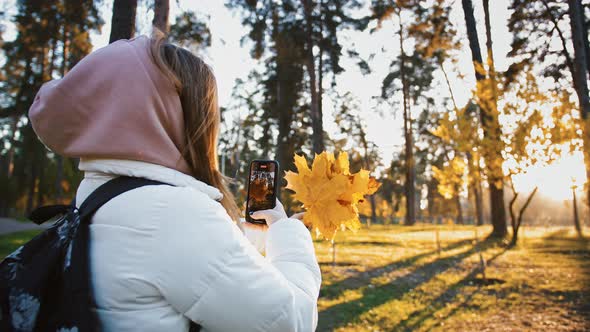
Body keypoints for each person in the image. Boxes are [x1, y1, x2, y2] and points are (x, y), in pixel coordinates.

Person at [28, 32, 321, 332]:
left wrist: (257, 236)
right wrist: (288, 232)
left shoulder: (101, 192)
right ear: (173, 114)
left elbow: (190, 267)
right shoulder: (170, 212)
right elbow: (290, 321)